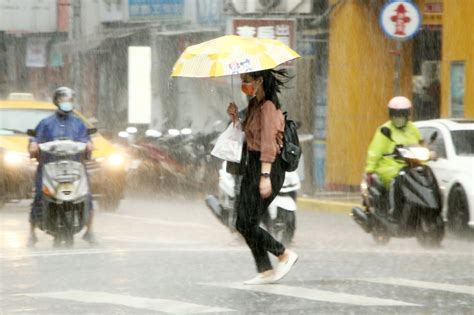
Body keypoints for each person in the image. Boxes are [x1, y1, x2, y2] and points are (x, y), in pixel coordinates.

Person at [227, 69, 298, 285]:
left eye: (247, 80)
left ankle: (284, 254)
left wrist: (265, 175)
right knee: (244, 222)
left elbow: (268, 143)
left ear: (259, 81)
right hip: (252, 166)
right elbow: (249, 137)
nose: (244, 84)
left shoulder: (268, 107)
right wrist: (235, 119)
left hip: (268, 167)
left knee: (247, 223)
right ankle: (265, 270)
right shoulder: (254, 105)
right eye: (242, 80)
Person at [27, 87, 96, 246]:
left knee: (87, 196)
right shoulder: (46, 123)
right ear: (57, 101)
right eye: (64, 99)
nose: (67, 103)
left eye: (70, 100)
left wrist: (89, 145)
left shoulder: (78, 123)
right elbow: (35, 139)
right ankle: (31, 233)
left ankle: (89, 231)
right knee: (39, 197)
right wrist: (34, 145)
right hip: (50, 168)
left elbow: (86, 140)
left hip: (74, 168)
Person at [365, 96, 423, 221]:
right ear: (391, 114)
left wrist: (430, 151)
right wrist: (370, 169)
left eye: (402, 114)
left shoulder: (412, 128)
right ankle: (393, 211)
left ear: (408, 114)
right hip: (389, 166)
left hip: (410, 165)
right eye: (396, 114)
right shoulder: (384, 129)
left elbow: (420, 144)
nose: (399, 117)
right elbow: (375, 151)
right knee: (397, 180)